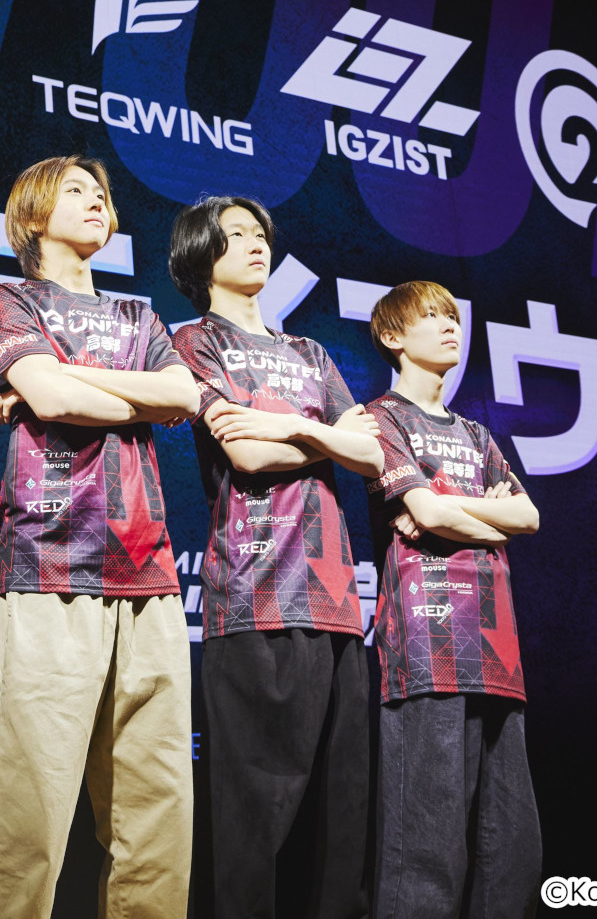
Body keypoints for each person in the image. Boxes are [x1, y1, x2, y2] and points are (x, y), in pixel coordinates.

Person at [0, 154, 202, 919]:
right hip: (50, 563)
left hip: (151, 574)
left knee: (157, 815)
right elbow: (51, 396)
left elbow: (184, 392)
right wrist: (127, 396)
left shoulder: (140, 316)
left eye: (101, 191)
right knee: (28, 817)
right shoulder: (9, 298)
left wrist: (74, 380)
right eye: (76, 189)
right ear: (34, 212)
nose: (96, 200)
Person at [166, 196, 384, 919]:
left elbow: (372, 454)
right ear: (202, 254)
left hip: (338, 605)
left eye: (260, 233)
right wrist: (323, 433)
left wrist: (293, 428)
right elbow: (249, 455)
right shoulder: (195, 341)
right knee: (254, 822)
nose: (257, 244)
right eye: (236, 235)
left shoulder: (311, 353)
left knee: (340, 821)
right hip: (255, 598)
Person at [364, 281, 542, 919]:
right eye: (431, 317)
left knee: (512, 852)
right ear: (393, 336)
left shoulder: (476, 433)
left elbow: (528, 516)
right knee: (426, 855)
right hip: (427, 649)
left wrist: (449, 510)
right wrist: (484, 519)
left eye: (453, 317)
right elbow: (430, 511)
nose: (449, 326)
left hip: (497, 652)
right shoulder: (381, 419)